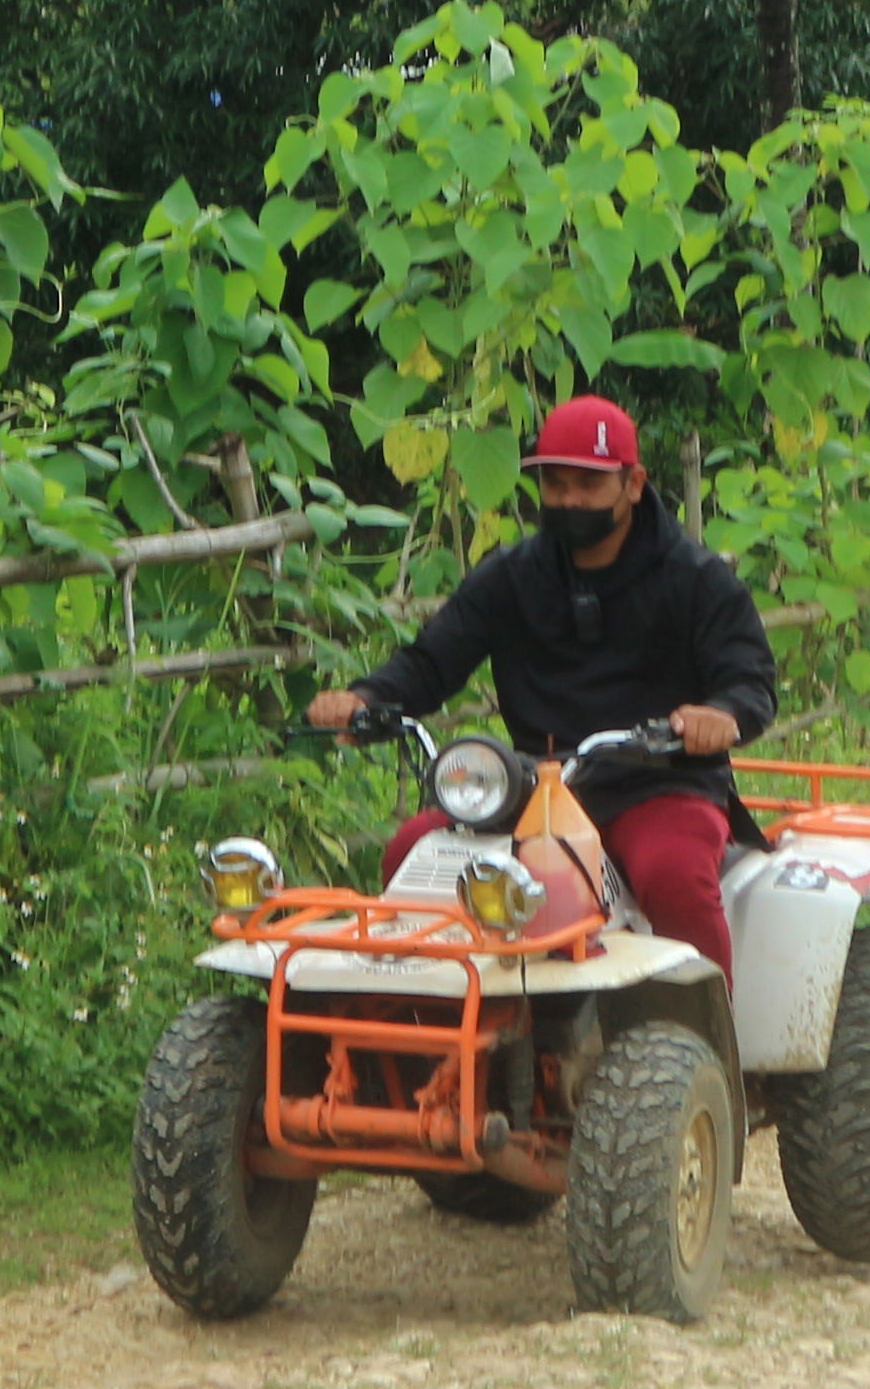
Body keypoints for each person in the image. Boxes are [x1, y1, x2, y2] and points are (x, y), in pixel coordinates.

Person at [307, 393, 775, 984]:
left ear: (633, 484)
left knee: (674, 874)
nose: (569, 500)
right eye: (555, 486)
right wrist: (366, 700)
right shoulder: (512, 575)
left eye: (588, 484)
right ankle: (423, 1024)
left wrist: (720, 715)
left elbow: (749, 681)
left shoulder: (697, 579)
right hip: (534, 786)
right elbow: (432, 663)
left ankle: (711, 1046)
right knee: (414, 850)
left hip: (658, 782)